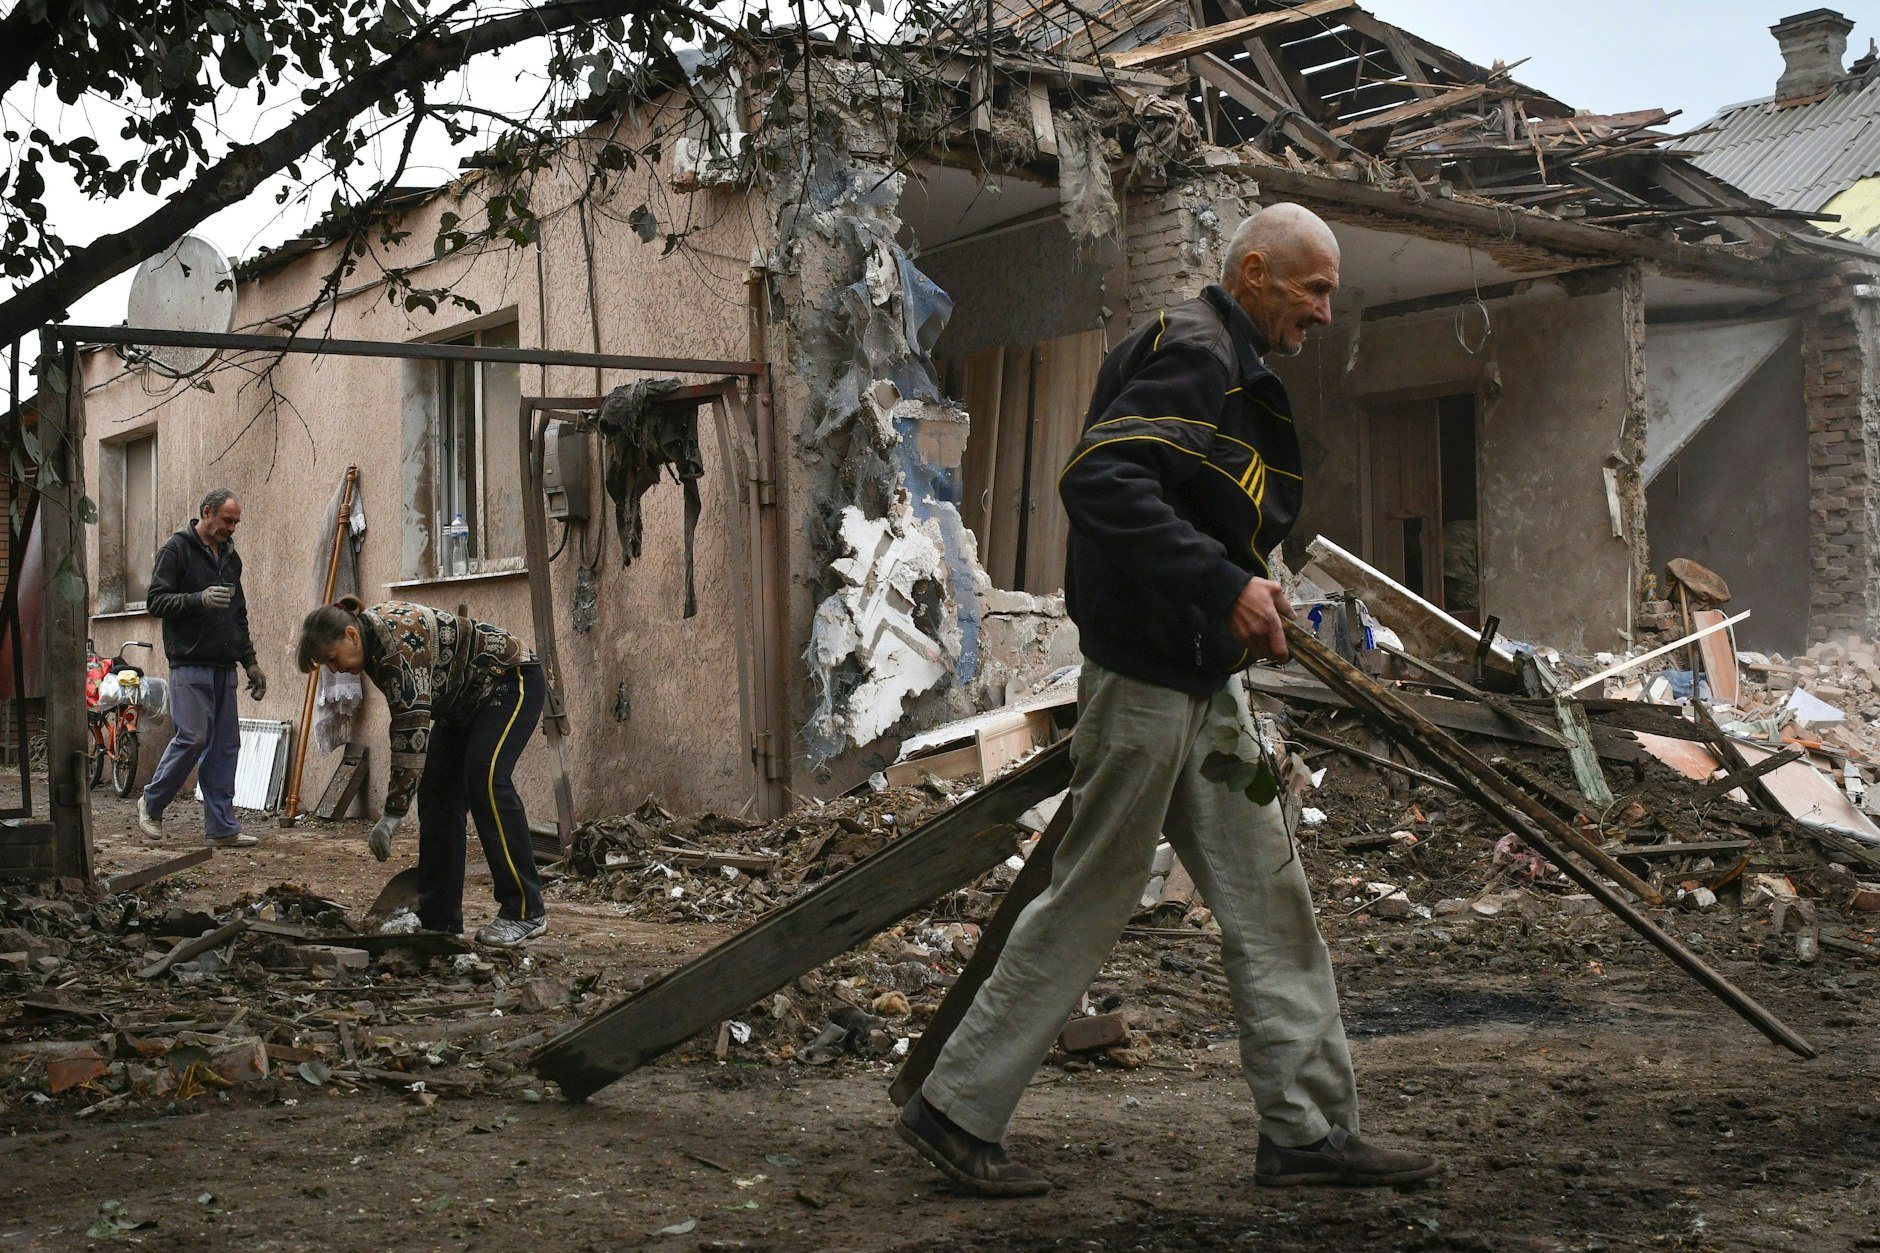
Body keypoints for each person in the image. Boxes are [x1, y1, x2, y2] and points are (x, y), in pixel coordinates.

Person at [896, 204, 1439, 1195]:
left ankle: (1307, 1130)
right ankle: (953, 1107)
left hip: (1202, 684)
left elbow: (1184, 495)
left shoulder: (1217, 353)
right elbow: (1100, 479)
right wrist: (1221, 583)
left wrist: (1234, 585)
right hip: (1146, 682)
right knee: (1094, 892)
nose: (1323, 312)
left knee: (1272, 899)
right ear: (1253, 273)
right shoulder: (1196, 348)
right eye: (1311, 290)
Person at [295, 597, 549, 947]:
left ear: (351, 635)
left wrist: (390, 816)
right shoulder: (370, 642)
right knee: (437, 796)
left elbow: (410, 732)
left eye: (331, 659)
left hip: (510, 679)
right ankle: (439, 919)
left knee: (486, 779)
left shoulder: (395, 652)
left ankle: (525, 912)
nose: (334, 670)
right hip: (462, 704)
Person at [138, 488, 266, 848]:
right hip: (189, 661)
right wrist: (198, 599)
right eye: (227, 520)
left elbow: (237, 612)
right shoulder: (176, 550)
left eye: (236, 522)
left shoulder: (229, 556)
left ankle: (222, 828)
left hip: (224, 664)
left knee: (225, 746)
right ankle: (151, 802)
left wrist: (251, 662)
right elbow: (155, 601)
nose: (232, 528)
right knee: (193, 737)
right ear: (206, 512)